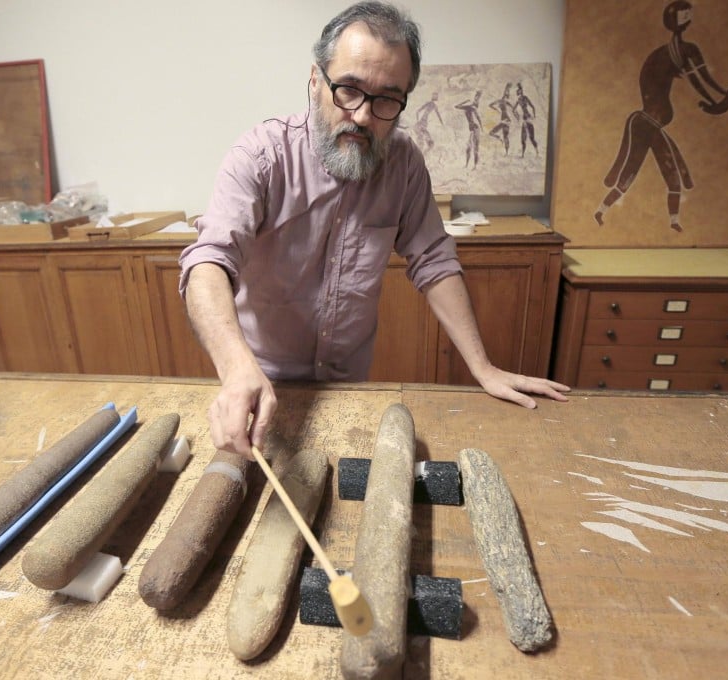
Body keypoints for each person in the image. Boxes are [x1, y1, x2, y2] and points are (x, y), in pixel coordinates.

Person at [179, 1, 569, 458]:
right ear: (314, 80)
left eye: (386, 99)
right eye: (349, 90)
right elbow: (208, 262)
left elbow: (434, 261)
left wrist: (483, 368)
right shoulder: (260, 156)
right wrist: (236, 369)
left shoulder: (403, 162)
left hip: (350, 385)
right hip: (259, 383)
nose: (364, 116)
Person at [594, 1, 728, 233]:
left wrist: (719, 97)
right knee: (631, 170)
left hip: (650, 125)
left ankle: (672, 221)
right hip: (644, 123)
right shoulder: (675, 52)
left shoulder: (674, 52)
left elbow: (698, 77)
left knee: (667, 167)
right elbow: (698, 80)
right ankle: (601, 210)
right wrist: (717, 100)